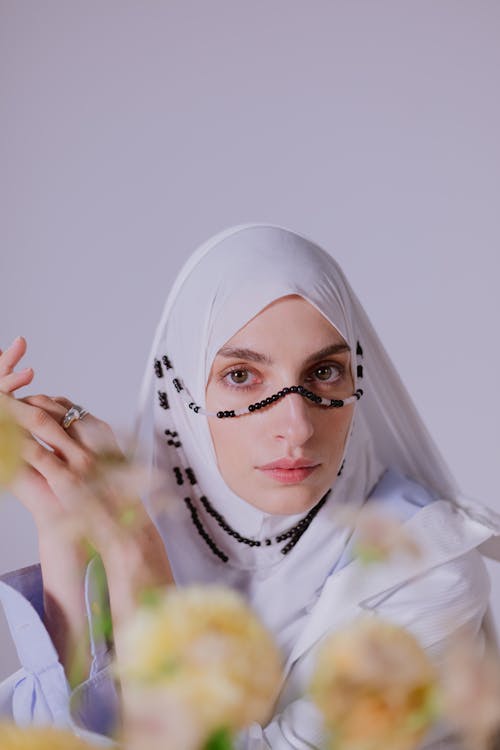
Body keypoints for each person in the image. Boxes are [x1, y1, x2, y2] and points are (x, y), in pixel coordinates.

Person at [1, 223, 500, 749]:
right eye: (242, 376)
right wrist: (58, 520)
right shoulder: (138, 516)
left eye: (325, 372)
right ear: (184, 388)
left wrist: (137, 558)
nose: (298, 426)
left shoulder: (428, 571)